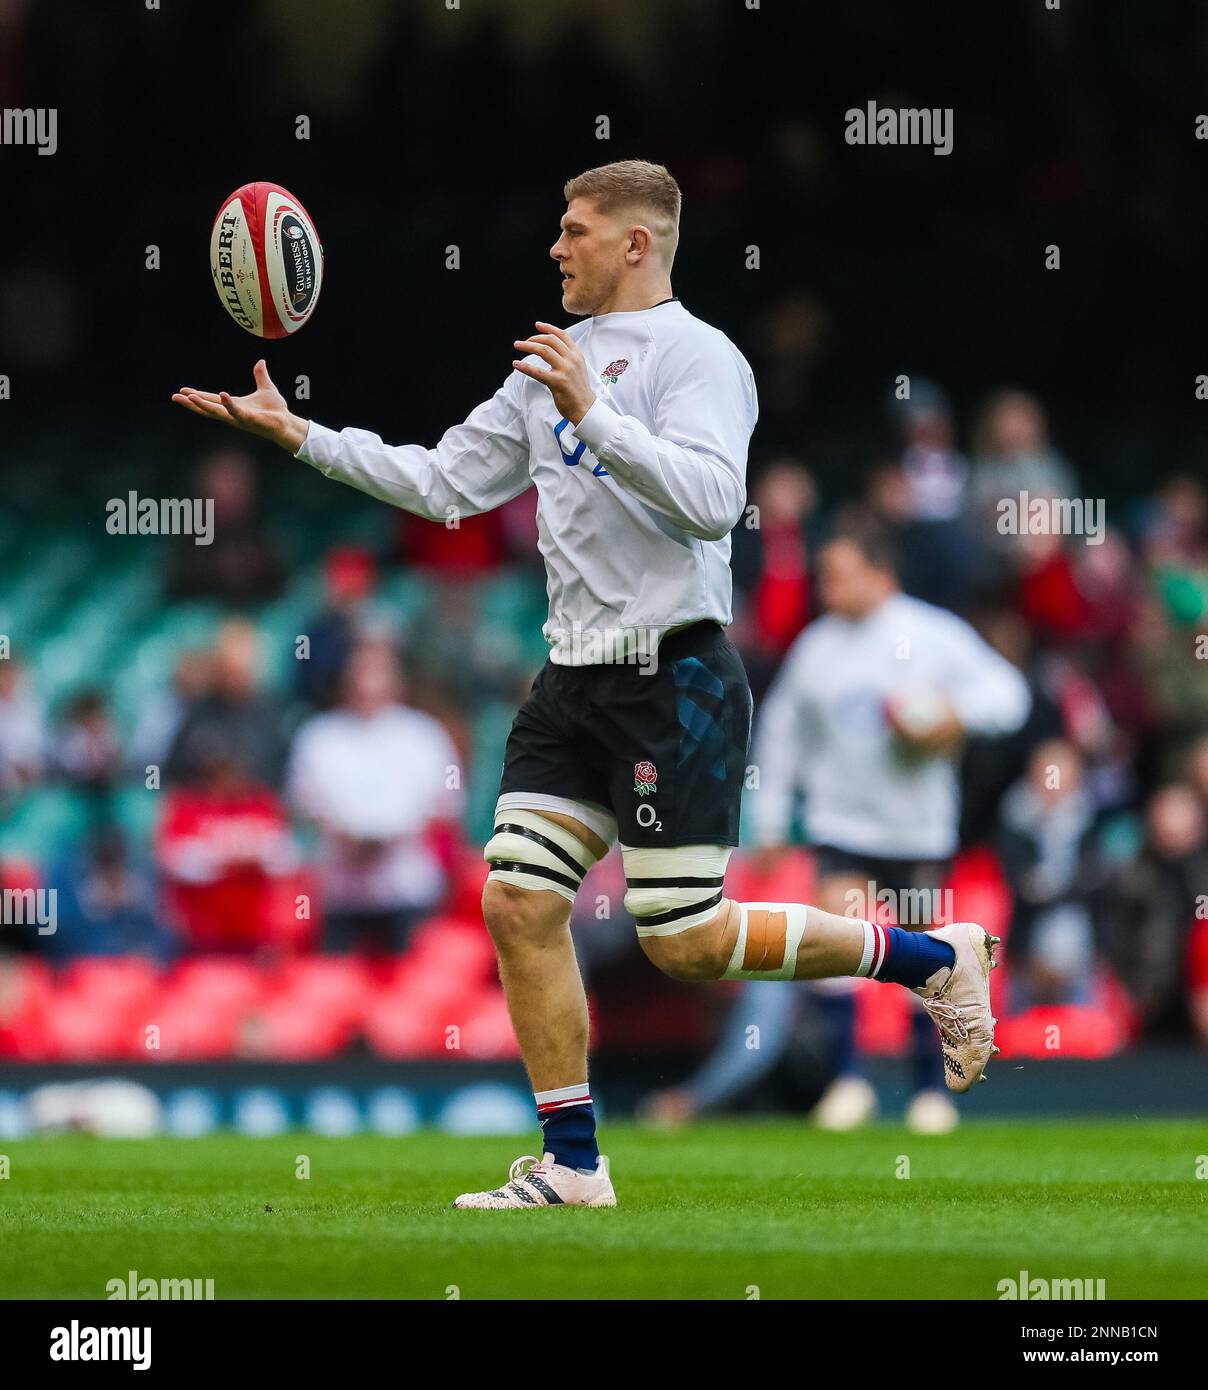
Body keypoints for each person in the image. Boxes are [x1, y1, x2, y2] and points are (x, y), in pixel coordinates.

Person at [171, 159, 1003, 1209]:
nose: (556, 247)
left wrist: (595, 418)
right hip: (571, 679)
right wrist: (301, 436)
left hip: (676, 679)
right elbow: (441, 485)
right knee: (516, 899)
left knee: (685, 941)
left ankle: (931, 955)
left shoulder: (702, 358)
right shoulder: (542, 369)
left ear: (633, 243)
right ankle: (573, 1164)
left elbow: (710, 502)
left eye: (573, 229)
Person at [748, 523, 1031, 1133]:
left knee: (925, 957)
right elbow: (781, 732)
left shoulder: (932, 634)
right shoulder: (816, 646)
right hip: (840, 823)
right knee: (835, 944)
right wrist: (770, 816)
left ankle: (930, 1092)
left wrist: (955, 715)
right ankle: (847, 1083)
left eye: (842, 574)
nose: (830, 588)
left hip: (917, 830)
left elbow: (1008, 694)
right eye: (825, 576)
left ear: (881, 572)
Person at [287, 640, 463, 951]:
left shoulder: (425, 735)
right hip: (341, 891)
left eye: (376, 673)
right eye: (360, 673)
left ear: (395, 679)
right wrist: (347, 838)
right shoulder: (319, 736)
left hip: (406, 888)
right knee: (333, 987)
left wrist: (391, 839)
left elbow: (446, 804)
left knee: (417, 989)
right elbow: (304, 804)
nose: (367, 684)